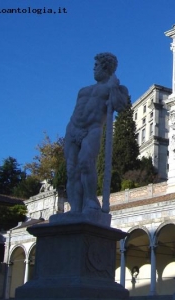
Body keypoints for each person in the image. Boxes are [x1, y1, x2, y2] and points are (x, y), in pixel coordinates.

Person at [64, 52, 129, 214]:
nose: (93, 68)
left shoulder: (117, 88)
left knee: (86, 163)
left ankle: (90, 200)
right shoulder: (83, 90)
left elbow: (121, 107)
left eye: (96, 65)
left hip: (92, 129)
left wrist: (113, 87)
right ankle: (75, 208)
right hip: (73, 128)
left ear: (106, 67)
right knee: (71, 170)